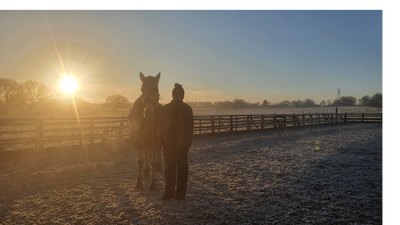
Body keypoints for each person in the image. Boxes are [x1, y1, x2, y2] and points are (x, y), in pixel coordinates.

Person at [158, 83, 194, 200]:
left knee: (175, 168)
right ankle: (175, 193)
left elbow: (189, 128)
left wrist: (187, 143)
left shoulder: (167, 109)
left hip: (176, 144)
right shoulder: (186, 109)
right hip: (173, 144)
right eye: (177, 94)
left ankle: (175, 193)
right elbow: (161, 127)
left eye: (179, 94)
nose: (178, 96)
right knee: (172, 168)